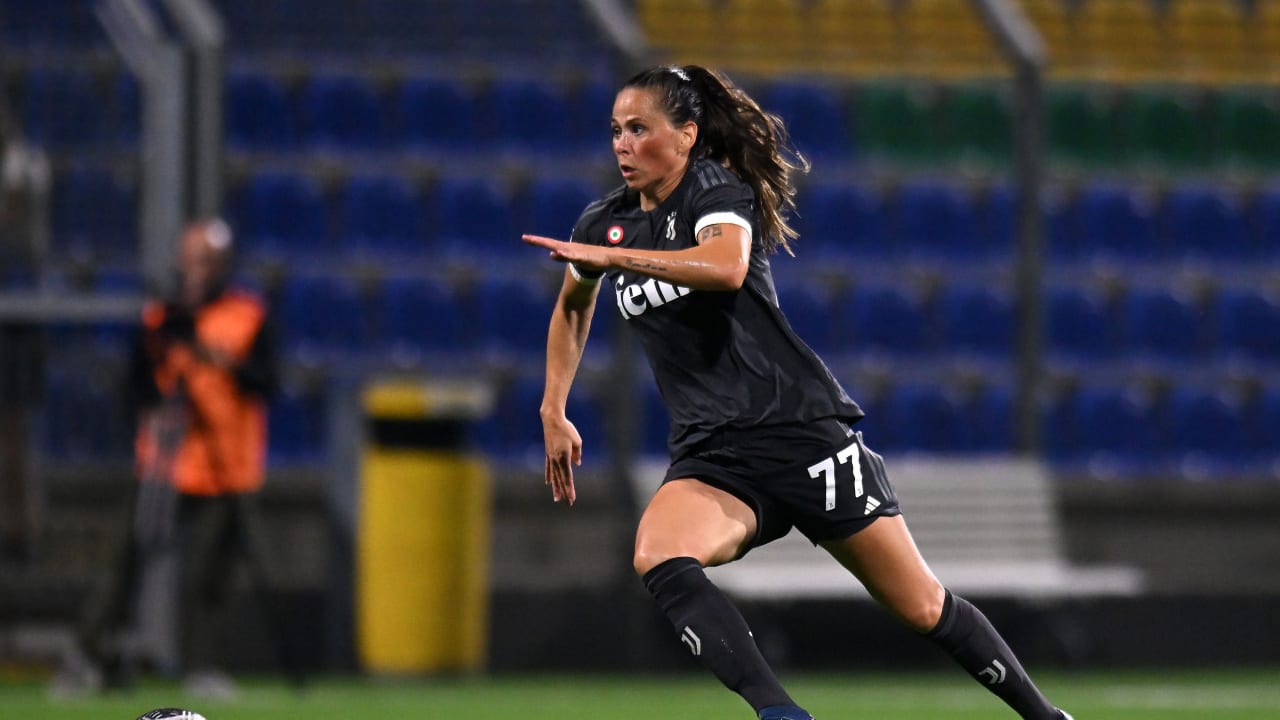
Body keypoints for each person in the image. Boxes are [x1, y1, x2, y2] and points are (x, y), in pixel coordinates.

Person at [523, 65, 1073, 720]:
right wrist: (554, 405)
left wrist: (619, 262)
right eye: (616, 130)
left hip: (799, 431)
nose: (622, 144)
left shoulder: (715, 191)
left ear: (687, 135)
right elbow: (574, 307)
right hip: (716, 454)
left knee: (923, 605)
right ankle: (781, 714)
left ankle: (1047, 718)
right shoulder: (604, 223)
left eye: (639, 128)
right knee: (658, 554)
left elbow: (724, 267)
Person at [53, 218, 284, 698]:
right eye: (195, 259)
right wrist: (159, 406)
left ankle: (202, 667)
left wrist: (215, 358)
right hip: (166, 462)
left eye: (211, 261)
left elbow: (266, 382)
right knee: (126, 564)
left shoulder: (248, 315)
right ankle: (90, 657)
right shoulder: (160, 320)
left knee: (210, 575)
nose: (201, 270)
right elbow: (135, 388)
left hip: (227, 466)